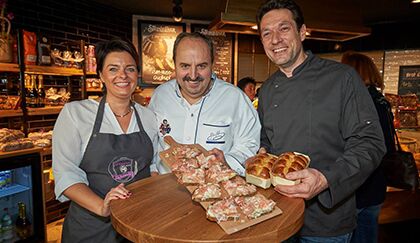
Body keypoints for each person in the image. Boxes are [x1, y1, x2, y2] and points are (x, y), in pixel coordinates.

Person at [256, 0, 386, 242]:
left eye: (283, 28)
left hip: (326, 222)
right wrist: (262, 152)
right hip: (277, 215)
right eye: (267, 33)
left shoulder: (342, 78)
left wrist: (326, 179)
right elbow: (267, 139)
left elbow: (370, 143)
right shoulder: (268, 90)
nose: (275, 39)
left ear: (302, 32)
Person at [52, 38, 159, 242]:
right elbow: (65, 173)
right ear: (100, 74)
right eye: (113, 69)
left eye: (130, 69)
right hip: (91, 226)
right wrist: (102, 207)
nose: (122, 75)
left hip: (138, 222)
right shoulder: (76, 114)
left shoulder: (148, 117)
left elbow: (152, 166)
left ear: (137, 74)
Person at [148, 32, 261, 176]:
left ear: (212, 64)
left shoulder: (236, 98)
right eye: (185, 66)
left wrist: (227, 161)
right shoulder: (160, 95)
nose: (193, 75)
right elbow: (150, 140)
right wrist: (152, 169)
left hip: (218, 190)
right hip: (166, 190)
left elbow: (249, 144)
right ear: (174, 64)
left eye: (201, 66)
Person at [341, 51, 395, 243]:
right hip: (376, 185)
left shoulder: (359, 101)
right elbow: (387, 144)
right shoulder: (382, 100)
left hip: (358, 185)